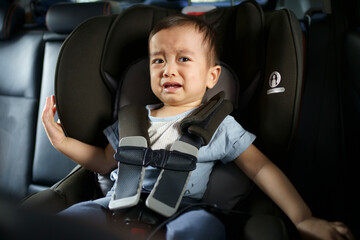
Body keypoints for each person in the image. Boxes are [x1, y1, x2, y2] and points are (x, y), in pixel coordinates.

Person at [42, 14, 354, 240]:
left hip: (180, 212)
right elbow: (105, 160)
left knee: (203, 229)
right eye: (158, 61)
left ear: (211, 76)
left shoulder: (219, 125)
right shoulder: (131, 119)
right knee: (65, 221)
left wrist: (303, 218)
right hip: (112, 207)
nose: (169, 69)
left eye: (184, 59)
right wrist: (62, 142)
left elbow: (261, 169)